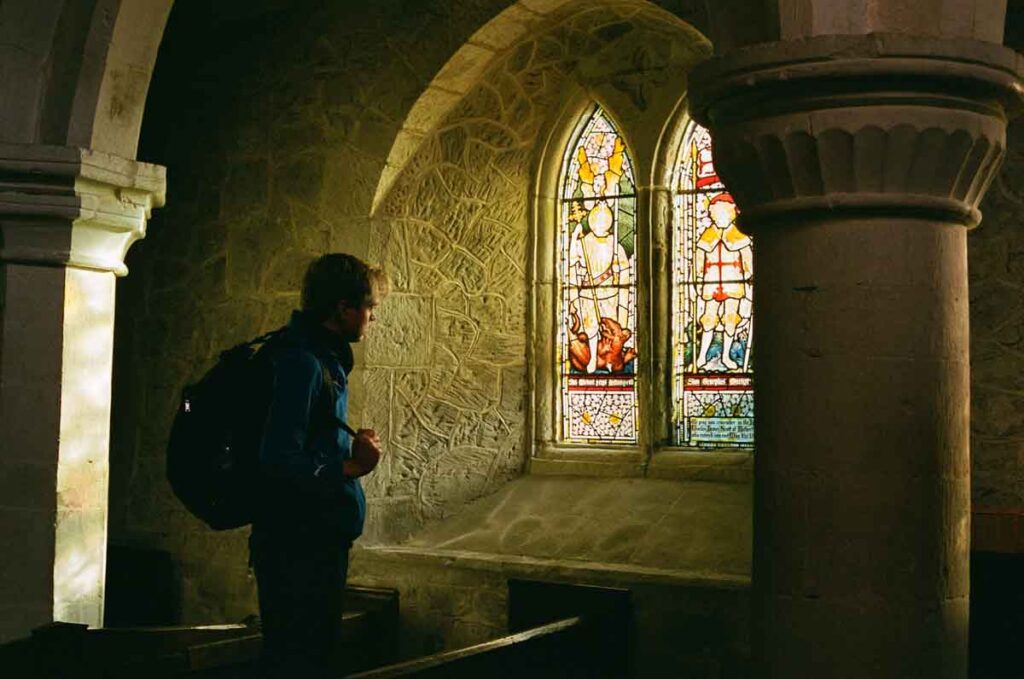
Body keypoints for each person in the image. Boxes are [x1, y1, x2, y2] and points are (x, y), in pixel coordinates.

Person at [250, 253, 388, 678]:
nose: (371, 317)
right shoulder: (303, 362)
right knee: (301, 660)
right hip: (299, 548)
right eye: (369, 307)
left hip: (314, 540)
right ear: (342, 308)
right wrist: (351, 467)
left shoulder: (319, 357)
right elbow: (278, 460)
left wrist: (347, 447)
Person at [693, 193, 753, 371]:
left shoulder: (739, 236)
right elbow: (699, 258)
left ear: (732, 214)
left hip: (733, 280)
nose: (719, 218)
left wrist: (750, 274)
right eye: (716, 215)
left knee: (730, 319)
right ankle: (702, 356)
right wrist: (696, 277)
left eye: (723, 214)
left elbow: (748, 259)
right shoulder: (707, 235)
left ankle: (726, 356)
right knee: (708, 319)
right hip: (711, 280)